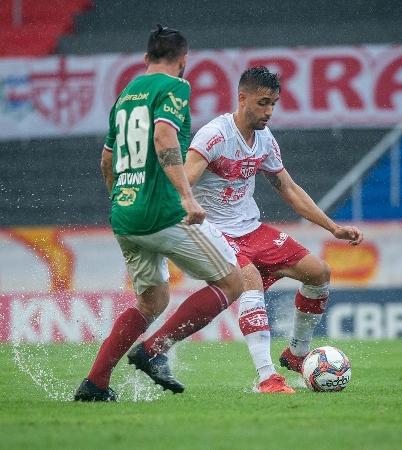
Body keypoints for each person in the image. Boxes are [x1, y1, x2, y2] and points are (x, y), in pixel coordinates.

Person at [74, 25, 243, 401]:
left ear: (145, 58)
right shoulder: (175, 87)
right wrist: (186, 196)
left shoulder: (125, 96)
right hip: (162, 213)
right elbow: (164, 136)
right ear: (184, 61)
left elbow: (106, 160)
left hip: (125, 214)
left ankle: (95, 383)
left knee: (153, 301)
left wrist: (121, 200)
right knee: (233, 282)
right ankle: (154, 350)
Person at [181, 66, 364, 393]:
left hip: (251, 229)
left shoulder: (264, 140)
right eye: (263, 103)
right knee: (248, 278)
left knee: (319, 272)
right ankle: (268, 378)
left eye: (274, 104)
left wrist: (333, 228)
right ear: (242, 98)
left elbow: (289, 189)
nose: (269, 111)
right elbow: (182, 182)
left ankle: (296, 353)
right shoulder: (215, 136)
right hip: (214, 232)